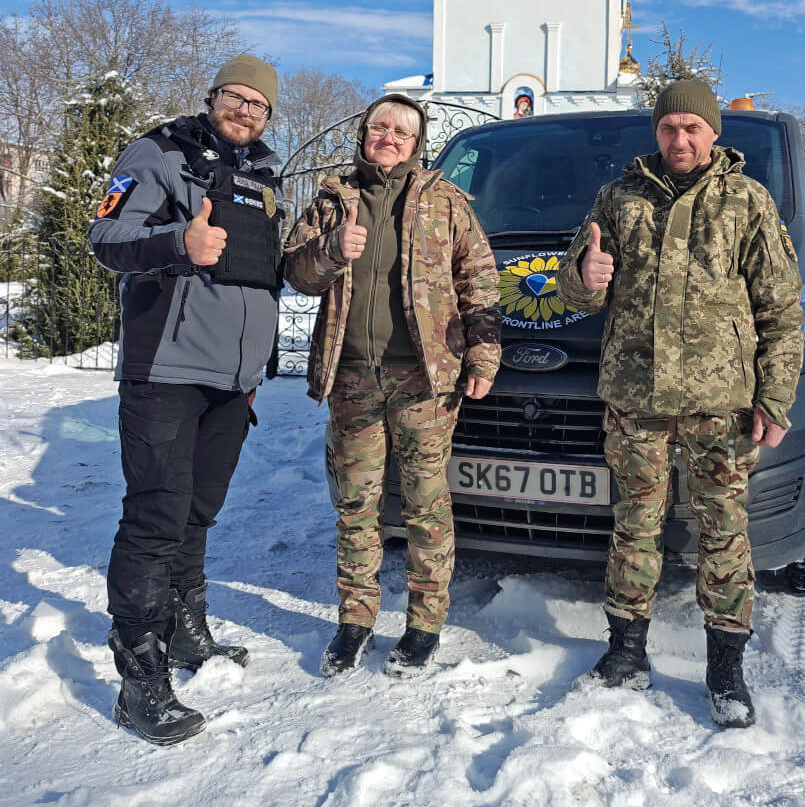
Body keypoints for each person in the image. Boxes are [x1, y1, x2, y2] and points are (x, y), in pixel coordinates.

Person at [555, 79, 804, 727]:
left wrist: (774, 396)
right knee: (633, 526)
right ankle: (626, 652)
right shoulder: (619, 198)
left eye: (692, 127)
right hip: (635, 400)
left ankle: (725, 670)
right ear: (656, 132)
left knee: (724, 534)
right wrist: (583, 280)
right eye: (669, 127)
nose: (680, 138)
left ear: (713, 132)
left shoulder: (747, 202)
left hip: (720, 405)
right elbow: (573, 285)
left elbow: (781, 310)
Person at [88, 55, 283, 745]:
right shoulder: (156, 153)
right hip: (166, 370)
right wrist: (179, 241)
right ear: (212, 96)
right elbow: (105, 237)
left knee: (198, 510)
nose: (247, 111)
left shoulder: (265, 177)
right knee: (155, 519)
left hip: (232, 381)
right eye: (237, 97)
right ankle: (139, 678)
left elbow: (267, 274)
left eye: (259, 105)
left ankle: (186, 633)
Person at [283, 94, 500, 679]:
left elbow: (478, 279)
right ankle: (354, 622)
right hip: (353, 376)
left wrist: (483, 352)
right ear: (363, 134)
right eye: (380, 127)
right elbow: (296, 273)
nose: (389, 137)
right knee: (357, 507)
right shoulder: (333, 200)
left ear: (417, 143)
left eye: (402, 131)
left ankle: (424, 625)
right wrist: (330, 251)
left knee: (428, 506)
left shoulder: (445, 201)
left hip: (423, 380)